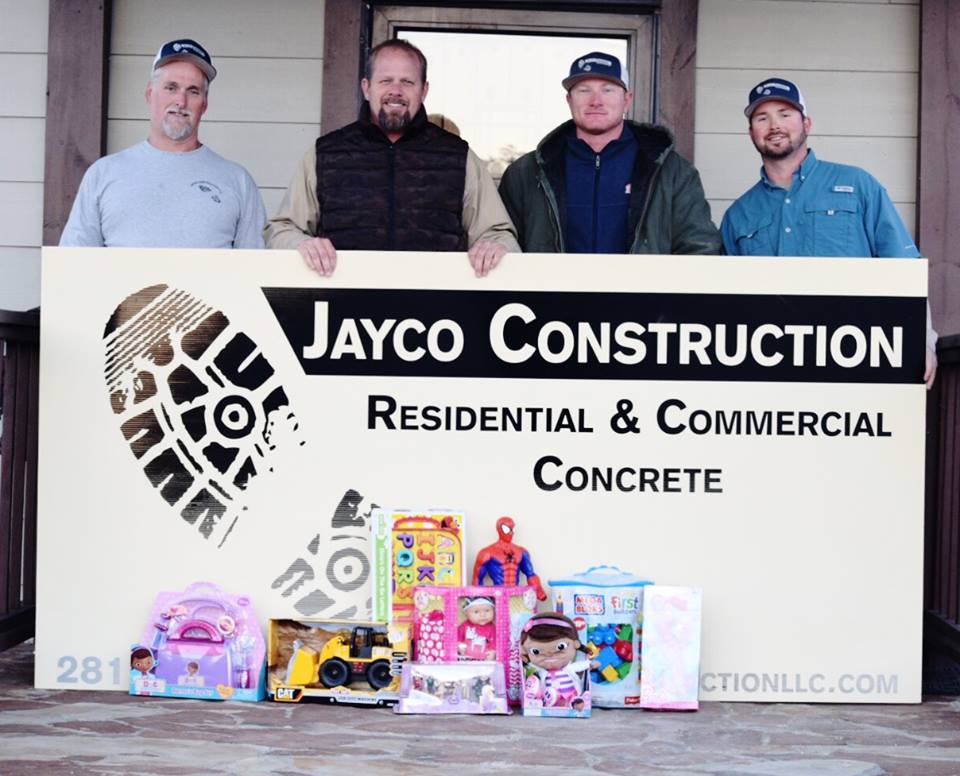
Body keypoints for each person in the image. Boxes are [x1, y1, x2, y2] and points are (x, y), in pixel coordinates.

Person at [721, 77, 937, 387]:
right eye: (762, 117)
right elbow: (726, 304)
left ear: (806, 123)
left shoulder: (858, 186)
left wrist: (923, 340)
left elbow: (904, 269)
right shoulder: (738, 216)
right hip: (772, 371)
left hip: (859, 358)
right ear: (751, 132)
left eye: (785, 113)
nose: (774, 125)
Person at [265, 39, 518, 277]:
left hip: (436, 312)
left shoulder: (458, 156)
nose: (396, 91)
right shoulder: (325, 153)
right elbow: (281, 231)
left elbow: (499, 235)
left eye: (407, 82)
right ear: (366, 88)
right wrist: (303, 244)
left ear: (424, 90)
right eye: (386, 80)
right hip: (342, 311)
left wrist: (494, 247)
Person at [498, 52, 721, 256]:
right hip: (552, 300)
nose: (596, 101)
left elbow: (700, 248)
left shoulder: (672, 172)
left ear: (627, 99)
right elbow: (503, 244)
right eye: (584, 90)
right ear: (569, 100)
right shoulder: (527, 173)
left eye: (608, 89)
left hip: (641, 300)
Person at [60, 39, 266, 249]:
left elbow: (255, 271)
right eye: (171, 88)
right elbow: (73, 265)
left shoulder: (238, 181)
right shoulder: (103, 174)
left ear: (204, 104)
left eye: (193, 91)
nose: (181, 101)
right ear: (150, 94)